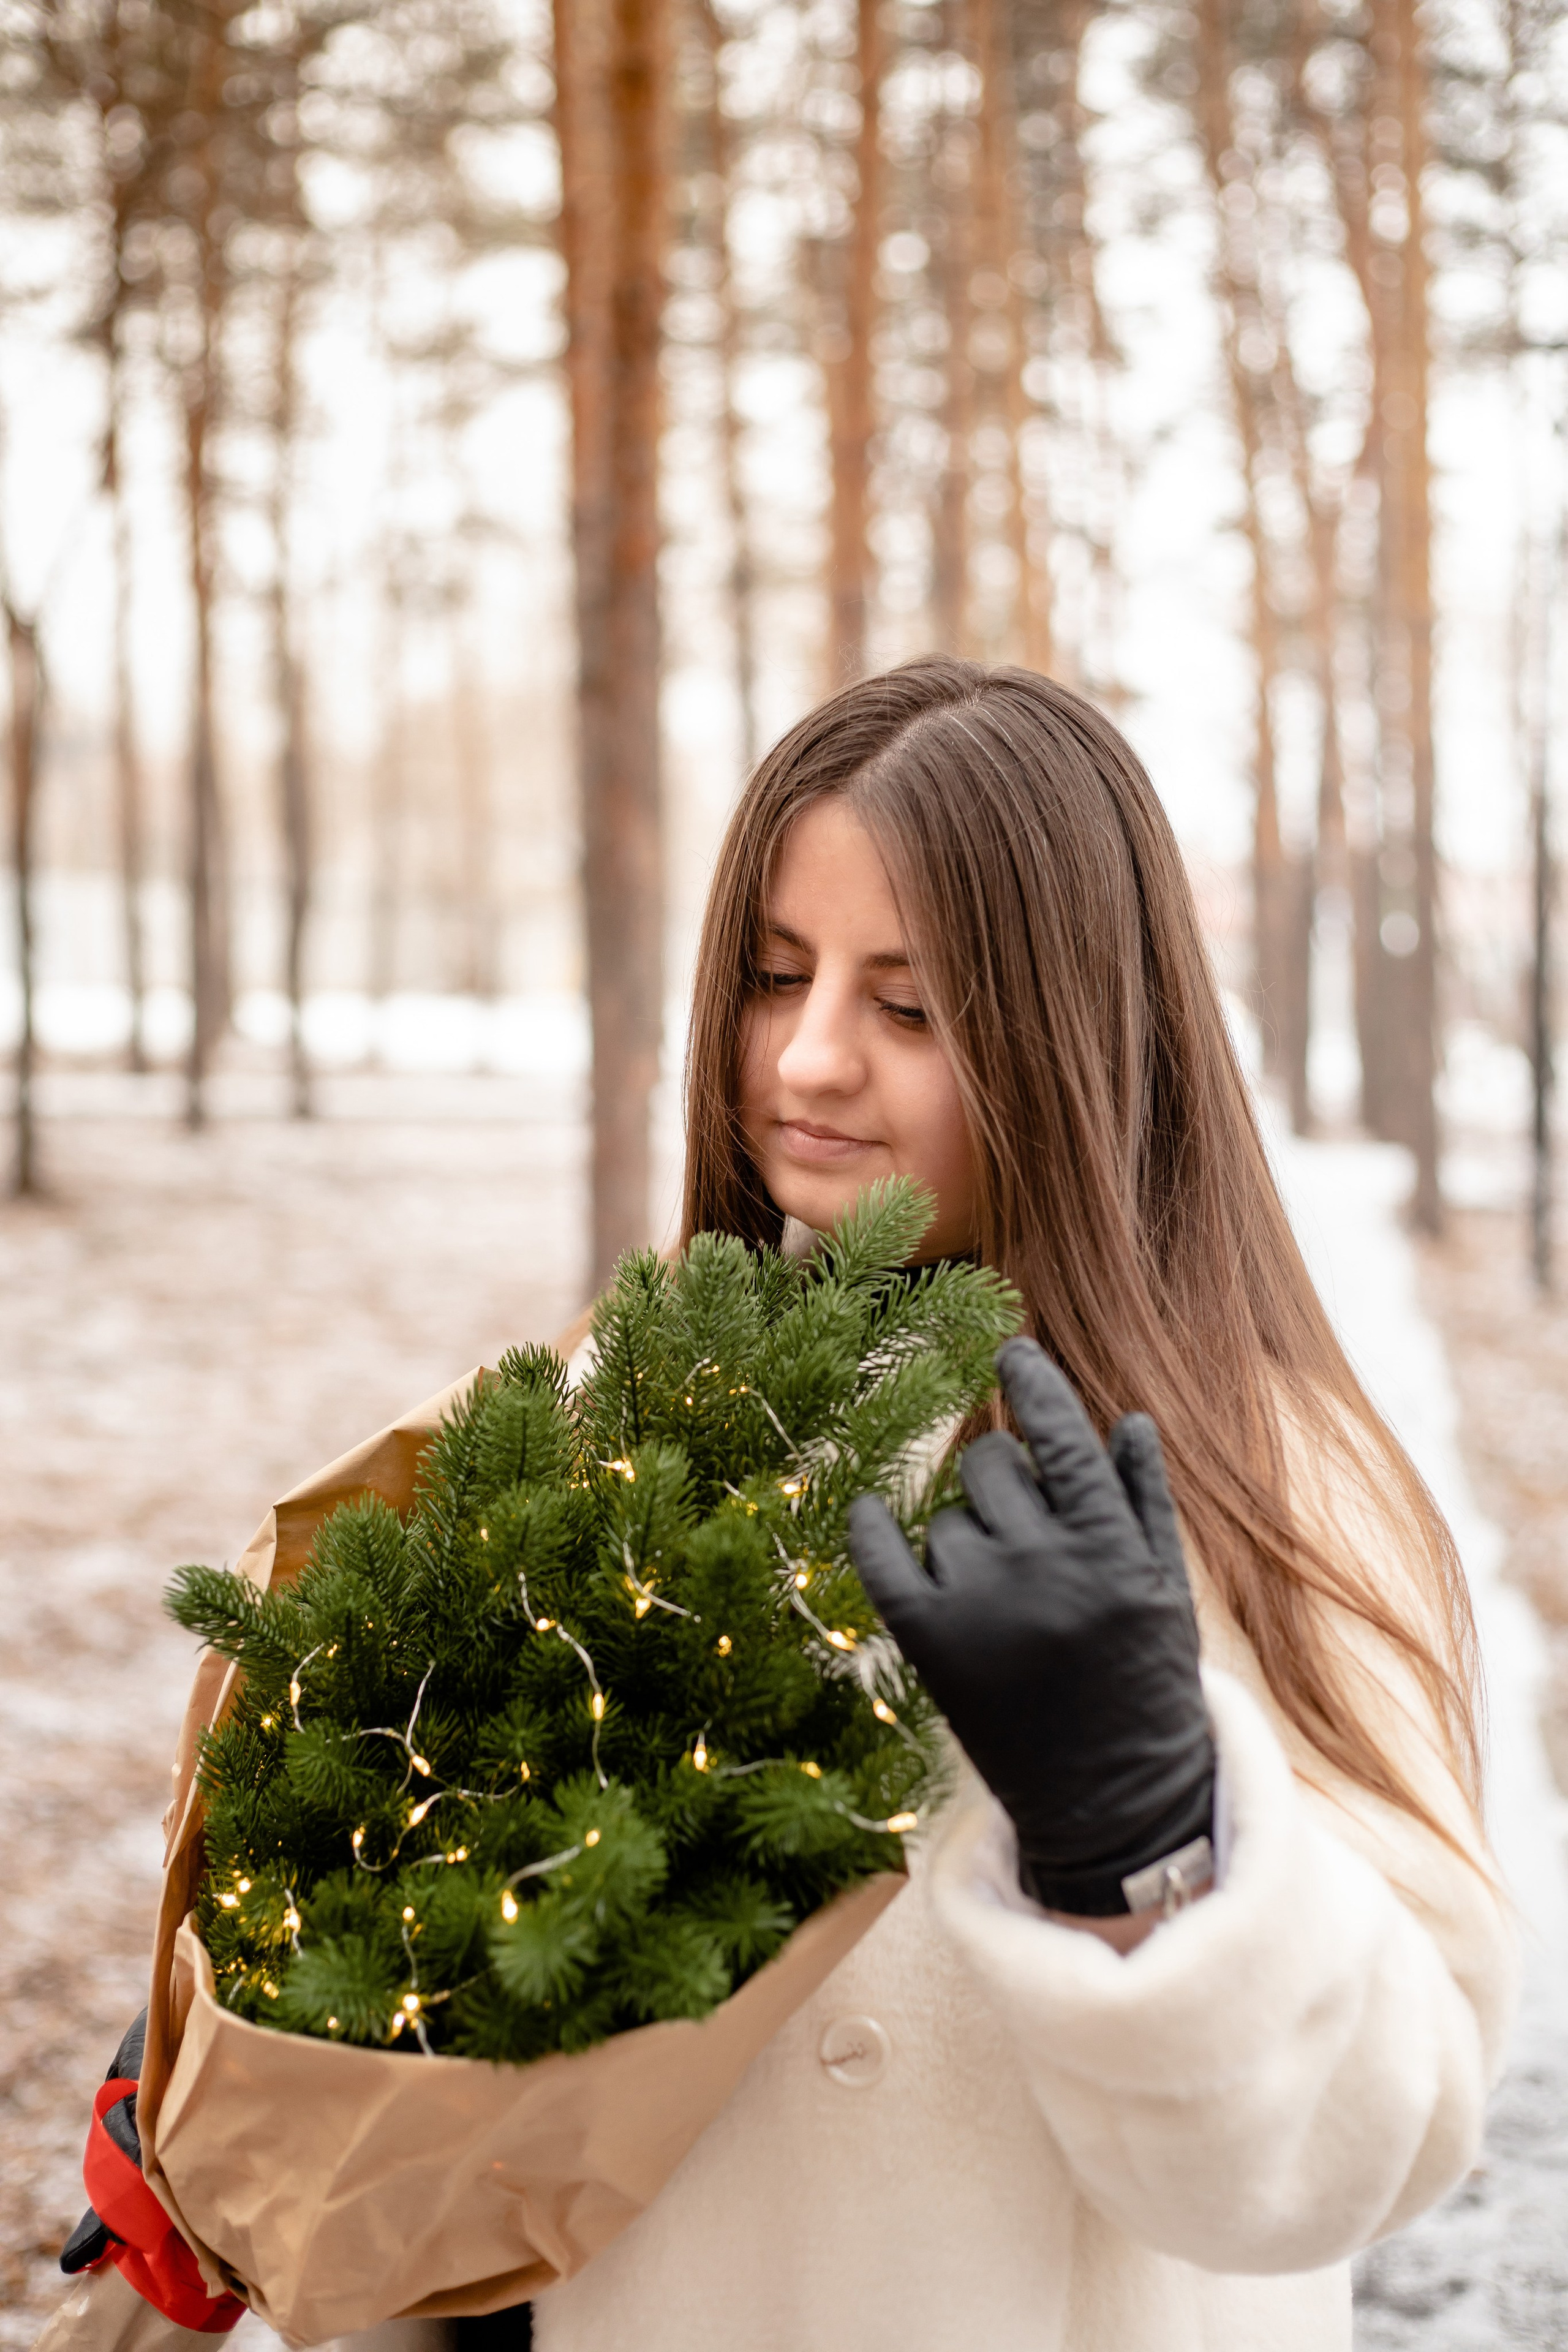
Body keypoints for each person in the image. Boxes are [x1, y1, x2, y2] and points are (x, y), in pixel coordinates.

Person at [51, 657, 1513, 2352]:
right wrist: (251, 2018)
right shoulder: (633, 1409)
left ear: (1076, 1033)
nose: (809, 1061)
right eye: (773, 975)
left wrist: (1149, 1845)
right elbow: (483, 2045)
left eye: (908, 1005)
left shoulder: (1268, 1481)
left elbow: (1379, 2147)